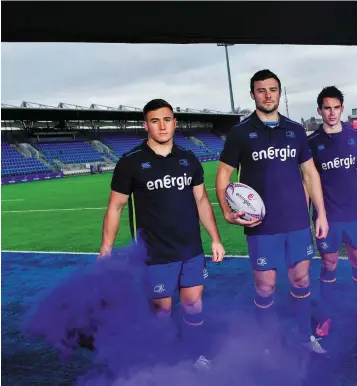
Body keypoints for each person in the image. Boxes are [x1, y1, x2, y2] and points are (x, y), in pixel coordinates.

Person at [98, 98, 225, 370]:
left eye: (167, 119)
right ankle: (163, 359)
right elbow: (115, 207)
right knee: (161, 311)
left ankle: (196, 353)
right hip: (154, 253)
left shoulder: (188, 159)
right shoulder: (130, 162)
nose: (162, 126)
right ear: (146, 125)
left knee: (193, 304)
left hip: (191, 249)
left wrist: (215, 238)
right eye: (155, 121)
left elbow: (202, 200)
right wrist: (105, 249)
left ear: (175, 123)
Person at [215, 69, 329, 355]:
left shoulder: (296, 130)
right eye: (261, 90)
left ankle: (304, 337)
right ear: (252, 94)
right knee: (265, 287)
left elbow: (310, 173)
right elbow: (222, 177)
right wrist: (227, 211)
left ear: (279, 92)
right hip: (261, 224)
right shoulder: (240, 133)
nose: (268, 95)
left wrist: (322, 214)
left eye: (273, 89)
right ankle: (266, 343)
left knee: (301, 279)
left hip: (297, 221)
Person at [307, 86, 357, 337]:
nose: (332, 112)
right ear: (319, 110)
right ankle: (326, 315)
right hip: (327, 217)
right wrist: (304, 213)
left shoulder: (354, 138)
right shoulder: (312, 143)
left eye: (336, 107)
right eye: (327, 108)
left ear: (342, 108)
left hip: (354, 214)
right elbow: (308, 181)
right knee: (329, 265)